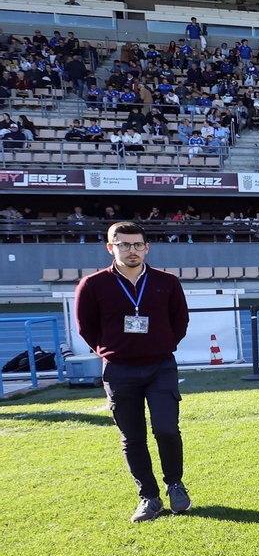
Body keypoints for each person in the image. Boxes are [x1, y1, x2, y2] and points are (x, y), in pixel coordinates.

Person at [75, 222, 193, 523]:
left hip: (161, 366)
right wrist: (111, 351)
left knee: (166, 428)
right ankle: (149, 497)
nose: (131, 250)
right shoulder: (92, 285)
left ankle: (174, 485)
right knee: (132, 437)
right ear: (111, 247)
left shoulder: (167, 282)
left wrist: (162, 345)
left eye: (137, 245)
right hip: (119, 370)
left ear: (147, 248)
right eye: (124, 245)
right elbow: (86, 328)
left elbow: (180, 322)